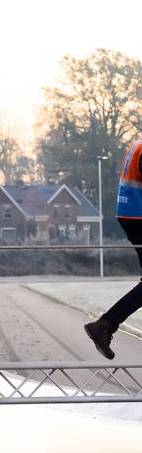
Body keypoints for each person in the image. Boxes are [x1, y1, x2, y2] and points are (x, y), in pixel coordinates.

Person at [85, 141, 142, 359]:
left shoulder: (137, 144)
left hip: (132, 214)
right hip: (139, 216)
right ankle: (105, 325)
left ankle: (106, 325)